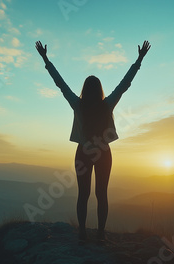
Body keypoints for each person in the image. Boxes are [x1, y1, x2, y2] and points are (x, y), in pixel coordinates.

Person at [35, 40, 151, 242]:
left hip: (83, 153)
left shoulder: (77, 104)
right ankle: (100, 233)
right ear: (99, 89)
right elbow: (124, 84)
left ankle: (81, 232)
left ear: (84, 89)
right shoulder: (107, 104)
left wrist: (46, 59)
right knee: (102, 194)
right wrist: (139, 60)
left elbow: (60, 83)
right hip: (104, 153)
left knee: (83, 194)